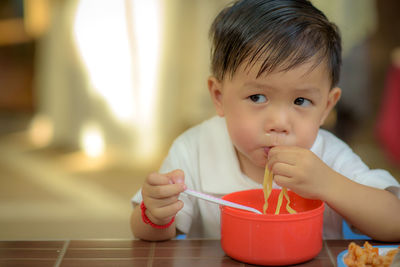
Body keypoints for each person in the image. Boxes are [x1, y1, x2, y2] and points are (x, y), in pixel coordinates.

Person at [130, 0, 400, 241]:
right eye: (258, 97)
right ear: (219, 96)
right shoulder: (195, 148)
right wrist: (156, 215)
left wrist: (329, 184)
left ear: (326, 107)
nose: (279, 123)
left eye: (301, 101)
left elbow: (395, 221)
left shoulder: (329, 156)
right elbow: (150, 235)